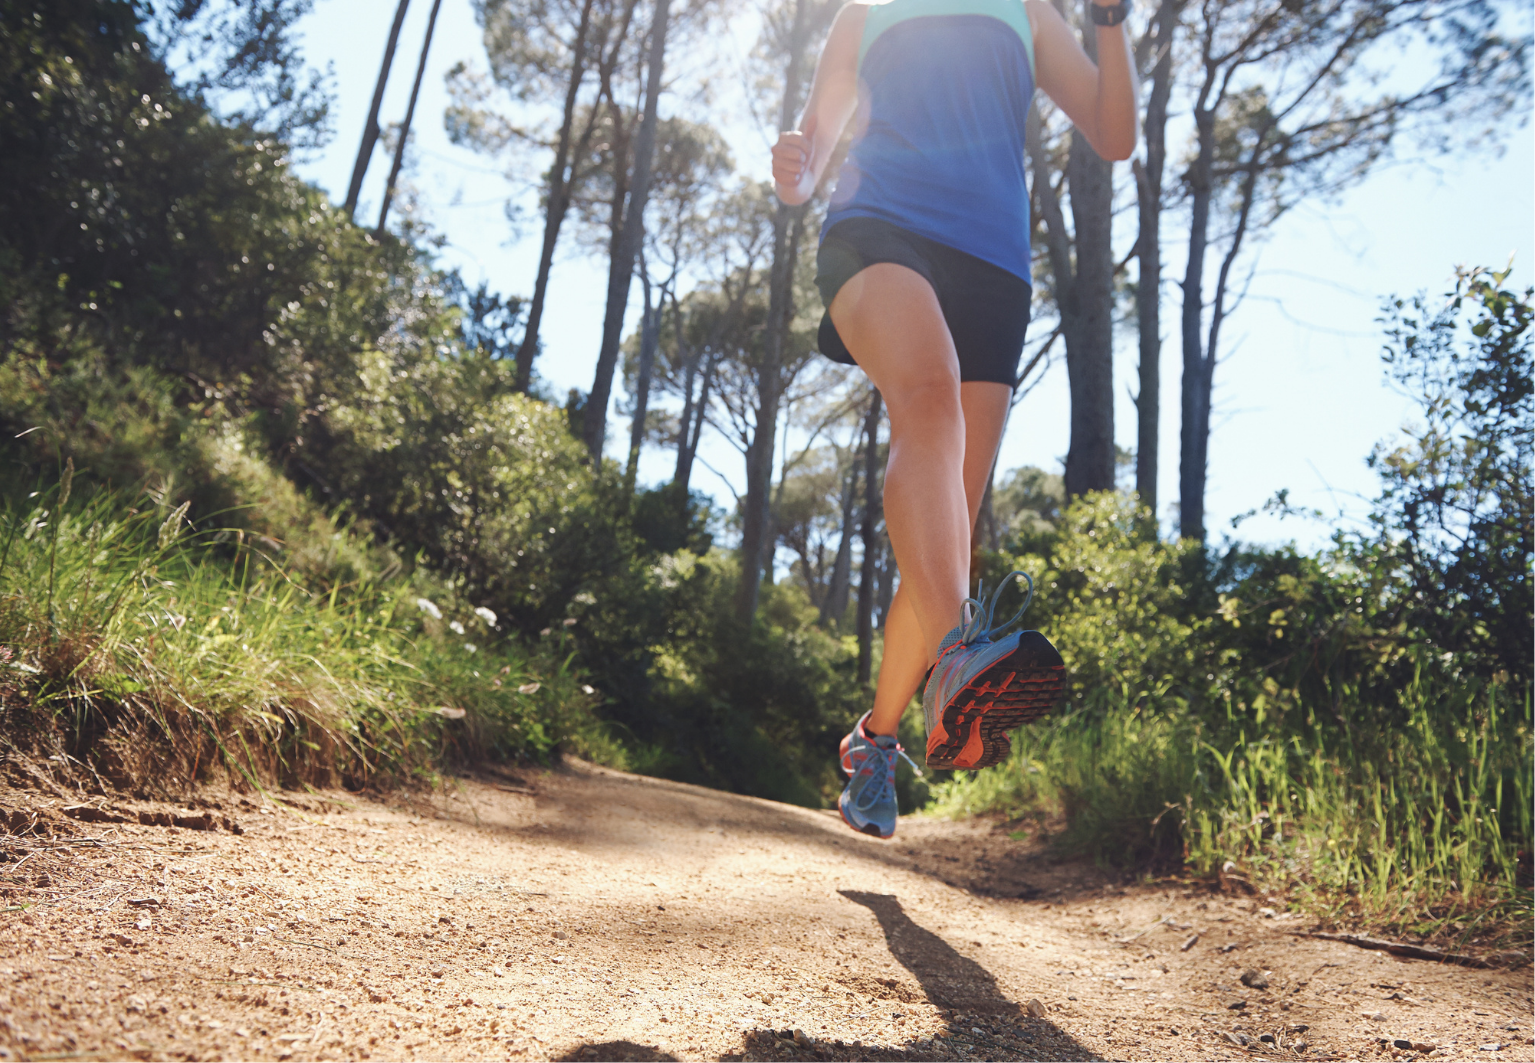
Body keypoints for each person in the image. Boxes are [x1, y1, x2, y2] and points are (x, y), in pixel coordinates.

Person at [771, 0, 1139, 839]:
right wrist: (795, 166)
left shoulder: (1030, 11)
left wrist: (1110, 20)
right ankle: (961, 658)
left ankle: (877, 740)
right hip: (877, 222)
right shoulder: (862, 7)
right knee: (927, 396)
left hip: (992, 263)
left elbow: (1112, 134)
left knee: (944, 534)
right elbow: (815, 141)